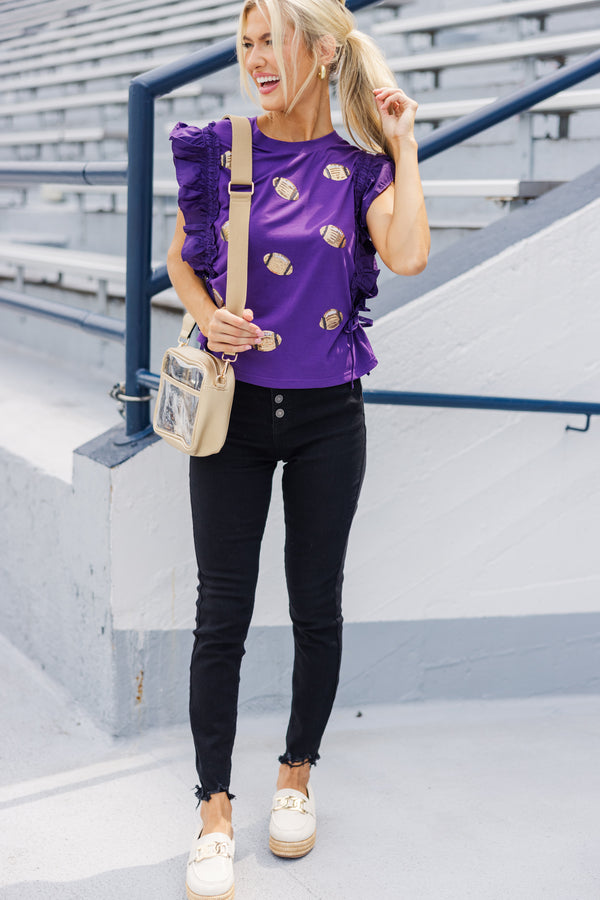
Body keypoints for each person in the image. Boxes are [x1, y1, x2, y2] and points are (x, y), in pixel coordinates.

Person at [166, 0, 430, 896]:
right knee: (221, 614)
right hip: (233, 417)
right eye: (244, 47)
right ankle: (212, 809)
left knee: (317, 606)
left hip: (328, 419)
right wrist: (210, 320)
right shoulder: (223, 148)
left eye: (268, 42)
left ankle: (295, 778)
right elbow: (181, 261)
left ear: (319, 52)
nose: (254, 61)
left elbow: (411, 256)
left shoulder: (360, 172)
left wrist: (405, 146)